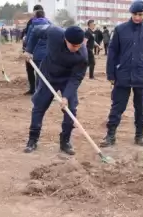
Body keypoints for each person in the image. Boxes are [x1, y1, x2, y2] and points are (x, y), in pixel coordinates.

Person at [100, 0, 143, 147]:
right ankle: (110, 135)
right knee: (117, 107)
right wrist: (111, 74)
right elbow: (113, 53)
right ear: (131, 13)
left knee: (141, 108)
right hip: (123, 75)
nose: (138, 17)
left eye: (140, 14)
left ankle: (139, 135)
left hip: (142, 76)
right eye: (135, 14)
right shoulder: (121, 30)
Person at [23, 25, 88, 155]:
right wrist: (29, 50)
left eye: (78, 45)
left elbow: (76, 78)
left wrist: (66, 96)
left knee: (71, 109)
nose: (76, 48)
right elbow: (35, 31)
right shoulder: (54, 33)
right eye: (73, 45)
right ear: (65, 39)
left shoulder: (83, 55)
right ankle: (32, 139)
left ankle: (65, 141)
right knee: (39, 106)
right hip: (48, 75)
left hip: (67, 80)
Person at [25, 10, 51, 87]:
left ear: (35, 16)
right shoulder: (50, 25)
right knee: (47, 73)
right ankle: (47, 94)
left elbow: (28, 40)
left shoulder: (32, 26)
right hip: (49, 53)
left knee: (39, 73)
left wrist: (28, 51)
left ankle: (38, 93)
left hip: (36, 53)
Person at [22, 4, 44, 95]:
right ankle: (38, 90)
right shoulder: (48, 22)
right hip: (42, 51)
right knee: (41, 71)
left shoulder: (32, 22)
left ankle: (33, 89)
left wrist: (25, 49)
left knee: (31, 69)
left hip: (31, 50)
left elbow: (27, 37)